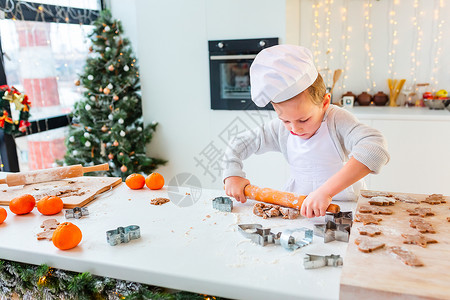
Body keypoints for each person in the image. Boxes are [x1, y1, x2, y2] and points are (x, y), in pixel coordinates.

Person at [222, 45, 390, 218]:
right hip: (299, 210)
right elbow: (239, 143)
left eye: (303, 120)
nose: (295, 129)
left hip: (344, 208)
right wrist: (232, 174)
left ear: (325, 103)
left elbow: (375, 148)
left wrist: (325, 191)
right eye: (286, 120)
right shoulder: (280, 130)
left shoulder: (337, 121)